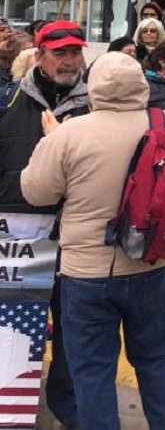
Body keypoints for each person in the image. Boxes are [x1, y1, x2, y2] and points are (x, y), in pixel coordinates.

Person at [21, 52, 165, 430]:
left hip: (86, 274)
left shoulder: (71, 132)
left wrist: (51, 139)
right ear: (142, 85)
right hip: (152, 264)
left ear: (94, 86)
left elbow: (36, 191)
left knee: (93, 370)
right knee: (158, 362)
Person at [0, 21, 90, 429]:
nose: (69, 61)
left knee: (73, 327)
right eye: (60, 54)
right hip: (20, 237)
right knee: (15, 326)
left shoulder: (97, 105)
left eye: (75, 53)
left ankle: (67, 406)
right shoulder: (8, 101)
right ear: (39, 57)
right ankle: (12, 403)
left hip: (77, 235)